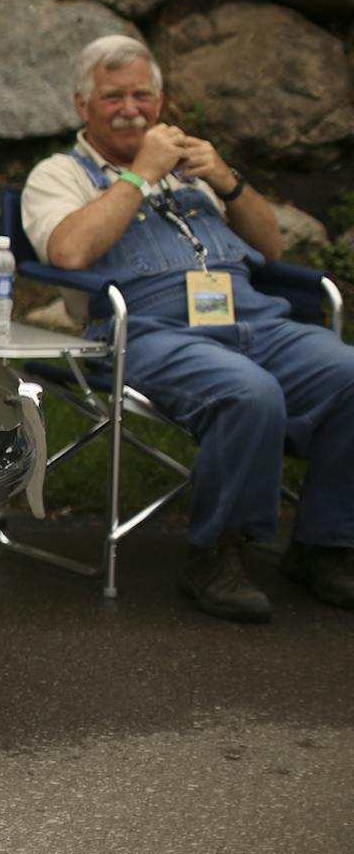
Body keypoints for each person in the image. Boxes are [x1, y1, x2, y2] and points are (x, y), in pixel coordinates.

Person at [21, 35, 353, 623]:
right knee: (248, 392)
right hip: (150, 332)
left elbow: (271, 248)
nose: (130, 108)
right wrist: (140, 176)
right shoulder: (58, 175)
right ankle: (216, 554)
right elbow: (69, 252)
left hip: (255, 319)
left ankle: (325, 544)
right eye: (113, 97)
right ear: (82, 106)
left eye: (142, 95)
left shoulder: (193, 172)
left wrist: (230, 182)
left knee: (348, 374)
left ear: (161, 100)